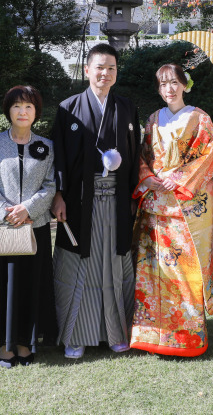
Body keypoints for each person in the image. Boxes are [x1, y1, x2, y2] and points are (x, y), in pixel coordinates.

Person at [51, 43, 141, 359]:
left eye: (111, 68)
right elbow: (58, 156)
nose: (105, 73)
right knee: (79, 267)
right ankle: (76, 335)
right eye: (99, 67)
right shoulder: (68, 108)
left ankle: (116, 332)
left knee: (114, 266)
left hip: (116, 202)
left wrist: (133, 196)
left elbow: (134, 154)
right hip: (78, 202)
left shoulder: (127, 108)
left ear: (116, 72)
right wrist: (57, 195)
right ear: (87, 70)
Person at [130, 64, 213, 357]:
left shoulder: (200, 119)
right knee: (152, 270)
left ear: (185, 85)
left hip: (185, 206)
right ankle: (151, 335)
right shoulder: (153, 120)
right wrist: (151, 179)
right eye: (163, 84)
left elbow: (209, 156)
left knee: (184, 271)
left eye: (174, 83)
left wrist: (178, 178)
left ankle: (188, 337)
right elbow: (142, 156)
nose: (169, 89)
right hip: (155, 205)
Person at [0, 86, 57, 368]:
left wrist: (28, 209)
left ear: (36, 112)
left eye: (29, 107)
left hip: (35, 226)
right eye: (17, 107)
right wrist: (7, 212)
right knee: (3, 285)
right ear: (8, 111)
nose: (22, 112)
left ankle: (26, 342)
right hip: (3, 227)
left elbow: (50, 185)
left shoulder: (47, 146)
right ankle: (3, 343)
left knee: (30, 284)